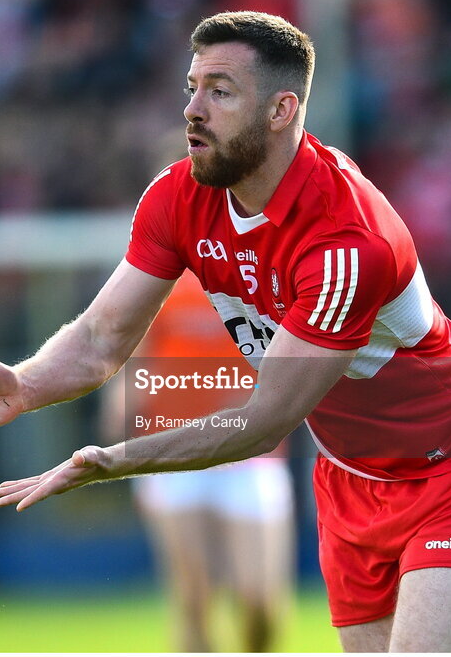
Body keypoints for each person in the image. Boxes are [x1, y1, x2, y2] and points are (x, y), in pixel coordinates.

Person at [0, 11, 451, 652]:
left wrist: (111, 460)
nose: (193, 109)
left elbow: (264, 419)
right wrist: (26, 384)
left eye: (220, 91)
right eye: (192, 86)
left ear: (282, 109)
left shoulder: (347, 242)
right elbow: (99, 340)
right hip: (349, 478)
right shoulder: (178, 196)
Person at [100, 272, 294, 652]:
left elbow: (285, 360)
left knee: (260, 600)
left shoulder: (260, 273)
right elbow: (142, 356)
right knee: (194, 596)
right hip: (174, 452)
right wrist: (121, 403)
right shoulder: (162, 279)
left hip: (248, 452)